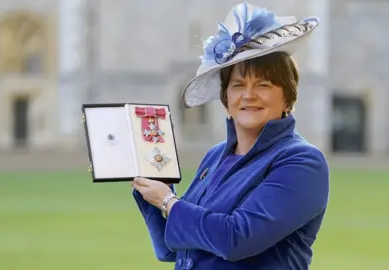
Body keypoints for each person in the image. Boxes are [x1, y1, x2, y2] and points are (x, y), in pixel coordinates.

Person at [131, 2, 329, 269]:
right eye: (238, 85)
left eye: (263, 85)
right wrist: (152, 188)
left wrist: (167, 201)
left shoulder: (302, 161)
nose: (248, 95)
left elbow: (237, 239)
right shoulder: (215, 155)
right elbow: (174, 248)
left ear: (287, 98)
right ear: (226, 98)